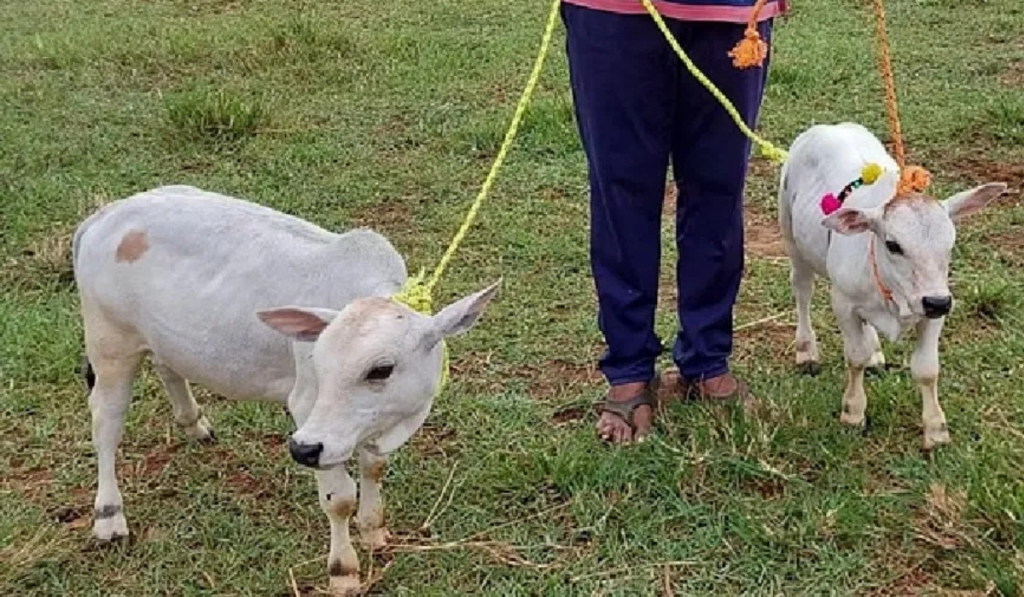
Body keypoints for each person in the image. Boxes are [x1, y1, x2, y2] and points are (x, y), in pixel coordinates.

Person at [560, 0, 788, 444]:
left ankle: (707, 359)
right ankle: (628, 368)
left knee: (718, 187)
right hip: (613, 12)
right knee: (620, 190)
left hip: (733, 18)